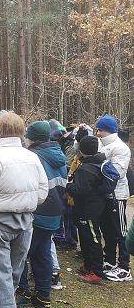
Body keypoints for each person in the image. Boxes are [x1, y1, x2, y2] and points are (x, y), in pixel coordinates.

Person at [0, 112, 48, 308]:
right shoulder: (33, 158)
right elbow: (42, 193)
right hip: (25, 224)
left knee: (0, 283)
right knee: (6, 281)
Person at [17, 121, 67, 308]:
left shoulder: (32, 157)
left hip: (36, 213)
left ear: (31, 138)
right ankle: (43, 295)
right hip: (54, 214)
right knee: (43, 254)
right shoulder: (58, 155)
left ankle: (21, 292)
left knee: (21, 254)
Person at [66, 136, 117, 284]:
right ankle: (88, 265)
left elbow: (80, 190)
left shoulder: (86, 169)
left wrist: (68, 185)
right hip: (96, 206)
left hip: (89, 209)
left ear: (82, 150)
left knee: (93, 238)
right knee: (88, 236)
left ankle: (97, 272)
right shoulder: (98, 162)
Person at [95, 115, 132, 282]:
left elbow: (115, 172)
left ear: (106, 130)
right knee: (107, 230)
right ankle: (109, 261)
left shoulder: (120, 147)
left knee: (120, 231)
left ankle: (124, 267)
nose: (97, 133)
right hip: (105, 196)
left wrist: (100, 163)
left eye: (99, 130)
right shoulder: (104, 146)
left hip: (118, 195)